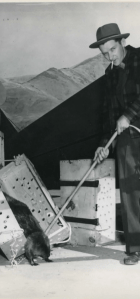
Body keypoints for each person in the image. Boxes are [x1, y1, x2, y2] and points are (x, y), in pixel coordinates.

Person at [90, 23, 140, 265]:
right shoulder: (109, 75)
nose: (110, 56)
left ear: (122, 42)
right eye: (105, 54)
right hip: (127, 139)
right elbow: (109, 114)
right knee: (130, 193)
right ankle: (136, 248)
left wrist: (129, 114)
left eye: (112, 49)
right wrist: (103, 144)